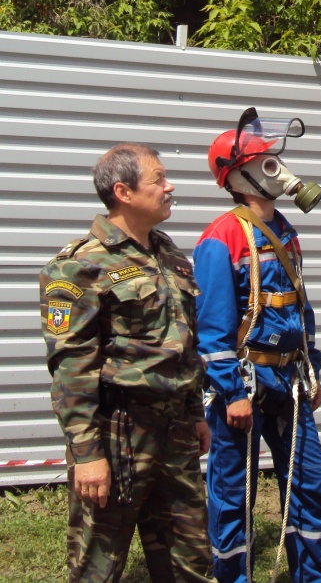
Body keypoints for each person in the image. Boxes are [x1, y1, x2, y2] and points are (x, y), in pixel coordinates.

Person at [39, 143, 214, 583]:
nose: (170, 186)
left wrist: (195, 414)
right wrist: (87, 454)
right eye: (159, 179)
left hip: (174, 430)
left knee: (190, 562)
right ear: (124, 191)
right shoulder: (78, 266)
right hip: (117, 434)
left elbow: (184, 345)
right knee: (98, 566)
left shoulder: (170, 255)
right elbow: (70, 368)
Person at [193, 107, 321, 583]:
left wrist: (311, 370)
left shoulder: (286, 233)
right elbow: (213, 328)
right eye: (267, 163)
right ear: (241, 175)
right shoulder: (222, 237)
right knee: (234, 493)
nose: (279, 170)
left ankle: (313, 576)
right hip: (245, 385)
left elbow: (300, 308)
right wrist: (231, 393)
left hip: (289, 383)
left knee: (310, 483)